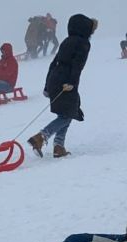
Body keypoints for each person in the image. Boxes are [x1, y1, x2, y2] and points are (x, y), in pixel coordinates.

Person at [28, 14, 97, 159]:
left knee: (68, 112)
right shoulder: (83, 43)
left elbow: (53, 63)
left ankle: (59, 147)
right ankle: (41, 137)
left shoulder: (67, 41)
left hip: (55, 78)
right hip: (66, 80)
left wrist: (47, 85)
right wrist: (71, 82)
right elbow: (78, 65)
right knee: (68, 114)